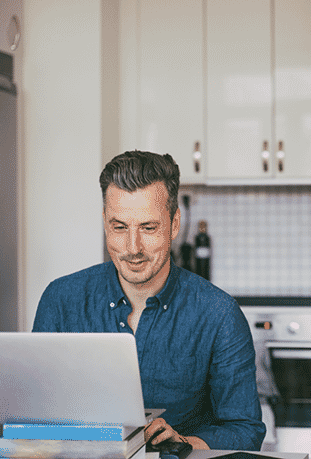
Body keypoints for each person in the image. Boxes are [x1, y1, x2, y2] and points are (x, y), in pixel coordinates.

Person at [33, 150, 266, 451]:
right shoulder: (61, 300)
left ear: (174, 224)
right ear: (105, 223)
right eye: (120, 227)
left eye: (148, 227)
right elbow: (36, 416)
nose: (133, 248)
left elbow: (245, 430)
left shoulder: (219, 314)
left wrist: (185, 442)